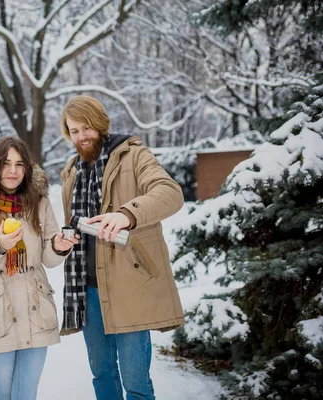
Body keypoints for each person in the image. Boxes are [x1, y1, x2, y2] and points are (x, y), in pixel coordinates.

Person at [59, 95, 185, 400]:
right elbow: (73, 221)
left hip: (128, 285)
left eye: (86, 128)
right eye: (74, 131)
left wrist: (127, 214)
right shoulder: (71, 170)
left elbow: (170, 193)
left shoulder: (134, 156)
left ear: (100, 125)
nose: (81, 136)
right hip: (87, 289)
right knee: (102, 374)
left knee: (135, 382)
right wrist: (65, 240)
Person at [0, 136, 78, 400]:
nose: (13, 171)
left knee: (27, 392)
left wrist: (58, 246)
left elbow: (48, 258)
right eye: (6, 163)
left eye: (20, 164)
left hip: (36, 307)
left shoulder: (40, 203)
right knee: (3, 392)